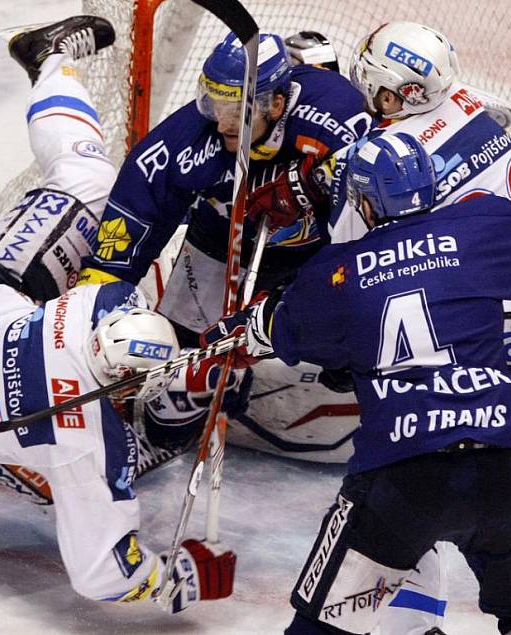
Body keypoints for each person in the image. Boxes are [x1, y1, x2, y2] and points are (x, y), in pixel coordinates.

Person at [252, 20, 511, 634]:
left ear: (394, 94)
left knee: (426, 485)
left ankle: (418, 626)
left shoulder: (381, 162)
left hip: (466, 329)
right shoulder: (475, 107)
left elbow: (362, 271)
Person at [204, 131, 511, 634]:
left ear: (361, 201)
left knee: (320, 629)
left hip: (401, 481)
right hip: (507, 469)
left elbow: (275, 334)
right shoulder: (477, 230)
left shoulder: (337, 272)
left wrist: (238, 328)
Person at [0, 16, 237, 610]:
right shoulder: (86, 442)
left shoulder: (91, 311)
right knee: (68, 471)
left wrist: (173, 578)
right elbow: (102, 575)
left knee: (90, 180)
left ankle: (52, 61)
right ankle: (48, 55)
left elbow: (111, 276)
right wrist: (176, 579)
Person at [74, 29, 372, 457]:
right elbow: (118, 250)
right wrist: (92, 314)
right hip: (219, 245)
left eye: (235, 108)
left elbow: (387, 215)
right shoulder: (181, 145)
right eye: (212, 102)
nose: (220, 120)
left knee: (354, 340)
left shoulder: (338, 115)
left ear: (275, 102)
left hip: (318, 252)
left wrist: (346, 323)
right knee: (173, 400)